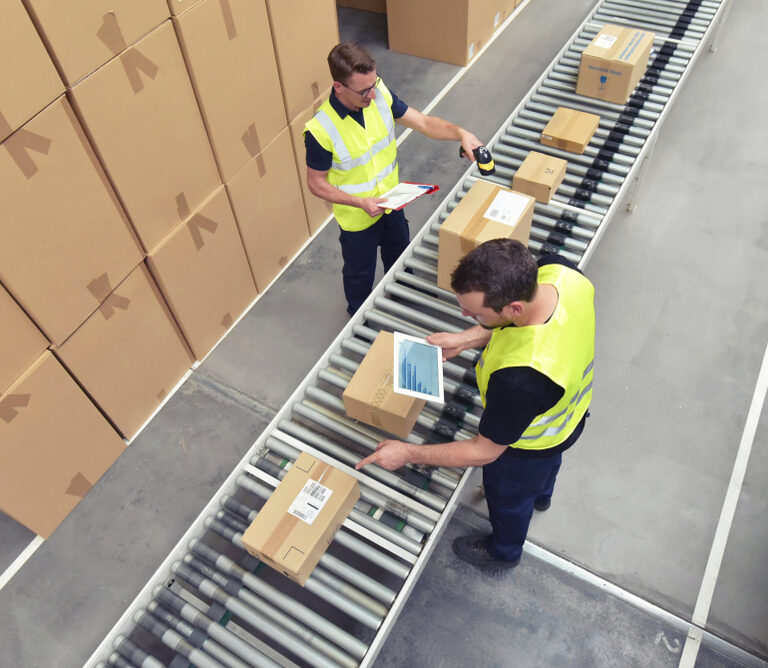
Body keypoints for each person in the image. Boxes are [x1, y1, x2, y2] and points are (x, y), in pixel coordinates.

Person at [356, 239, 596, 570]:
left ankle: (503, 551)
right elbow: (520, 322)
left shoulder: (520, 379)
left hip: (528, 444)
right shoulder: (561, 273)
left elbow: (484, 452)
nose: (467, 316)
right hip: (569, 416)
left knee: (509, 498)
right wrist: (465, 339)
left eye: (477, 313)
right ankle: (542, 495)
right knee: (547, 468)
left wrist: (407, 453)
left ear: (513, 308)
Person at [304, 42, 484, 316]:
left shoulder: (379, 95)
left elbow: (423, 122)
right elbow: (316, 183)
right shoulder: (321, 129)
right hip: (358, 219)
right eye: (364, 90)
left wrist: (461, 133)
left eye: (374, 83)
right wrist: (359, 202)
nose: (372, 93)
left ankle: (403, 297)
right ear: (339, 87)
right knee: (359, 275)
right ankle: (360, 319)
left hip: (392, 203)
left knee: (400, 257)